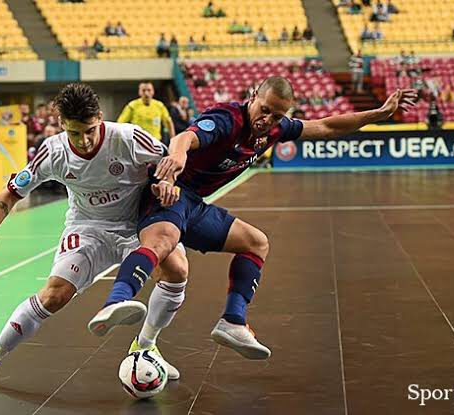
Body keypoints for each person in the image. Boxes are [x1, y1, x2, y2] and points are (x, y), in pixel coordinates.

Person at [89, 76, 417, 360]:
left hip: (195, 204)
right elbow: (185, 137)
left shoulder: (274, 130)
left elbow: (328, 125)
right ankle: (115, 303)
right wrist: (176, 156)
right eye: (264, 109)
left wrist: (381, 113)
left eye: (277, 115)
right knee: (164, 241)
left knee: (256, 243)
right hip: (167, 192)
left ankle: (233, 321)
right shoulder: (227, 119)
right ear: (253, 97)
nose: (267, 119)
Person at [0, 83, 188, 390]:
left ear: (100, 117)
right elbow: (10, 193)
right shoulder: (53, 152)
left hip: (137, 224)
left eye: (89, 130)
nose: (83, 141)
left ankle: (145, 347)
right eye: (74, 133)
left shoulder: (128, 138)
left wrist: (168, 181)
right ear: (61, 126)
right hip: (87, 227)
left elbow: (172, 162)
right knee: (55, 295)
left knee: (176, 269)